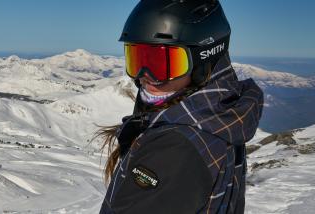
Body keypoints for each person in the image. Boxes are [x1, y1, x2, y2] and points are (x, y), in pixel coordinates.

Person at [95, 0, 263, 213]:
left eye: (163, 62)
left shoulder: (173, 149)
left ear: (203, 60)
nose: (146, 76)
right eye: (138, 59)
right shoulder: (221, 116)